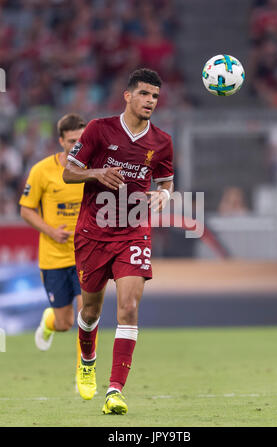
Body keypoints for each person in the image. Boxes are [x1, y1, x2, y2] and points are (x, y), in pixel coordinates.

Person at [63, 68, 174, 415]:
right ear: (127, 95)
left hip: (133, 231)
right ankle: (86, 359)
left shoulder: (162, 141)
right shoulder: (98, 129)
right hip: (93, 233)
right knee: (90, 310)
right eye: (144, 94)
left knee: (128, 308)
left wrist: (164, 197)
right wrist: (95, 172)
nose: (150, 101)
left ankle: (114, 391)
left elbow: (166, 182)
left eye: (154, 96)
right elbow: (69, 172)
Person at [19, 113, 86, 374]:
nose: (77, 146)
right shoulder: (42, 170)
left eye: (81, 140)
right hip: (54, 257)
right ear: (61, 141)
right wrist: (50, 230)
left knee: (87, 315)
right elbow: (26, 209)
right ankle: (49, 322)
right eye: (72, 141)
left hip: (85, 255)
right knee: (64, 322)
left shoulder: (93, 169)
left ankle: (85, 368)